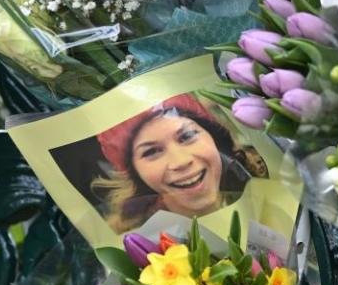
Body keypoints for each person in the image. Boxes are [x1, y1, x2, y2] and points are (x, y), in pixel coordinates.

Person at [93, 94, 267, 232]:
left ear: (213, 136)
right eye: (151, 151)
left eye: (187, 136)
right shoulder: (141, 248)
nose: (181, 161)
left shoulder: (269, 182)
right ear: (134, 173)